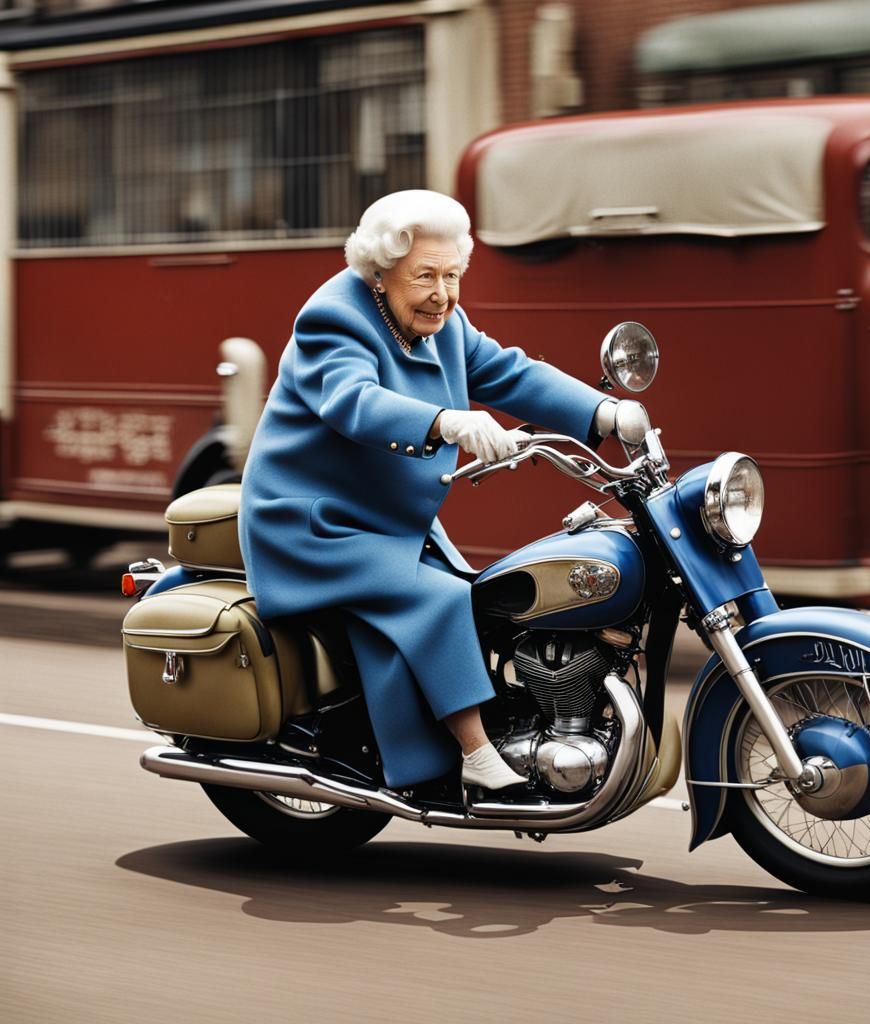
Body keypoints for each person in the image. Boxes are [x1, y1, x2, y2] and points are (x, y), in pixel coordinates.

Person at [239, 189, 616, 792]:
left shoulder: (444, 323)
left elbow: (509, 371)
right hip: (312, 524)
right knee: (437, 600)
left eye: (453, 275)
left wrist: (603, 413)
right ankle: (475, 751)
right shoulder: (333, 317)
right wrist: (447, 422)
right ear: (380, 273)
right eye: (425, 276)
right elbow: (353, 402)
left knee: (486, 597)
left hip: (384, 519)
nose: (442, 293)